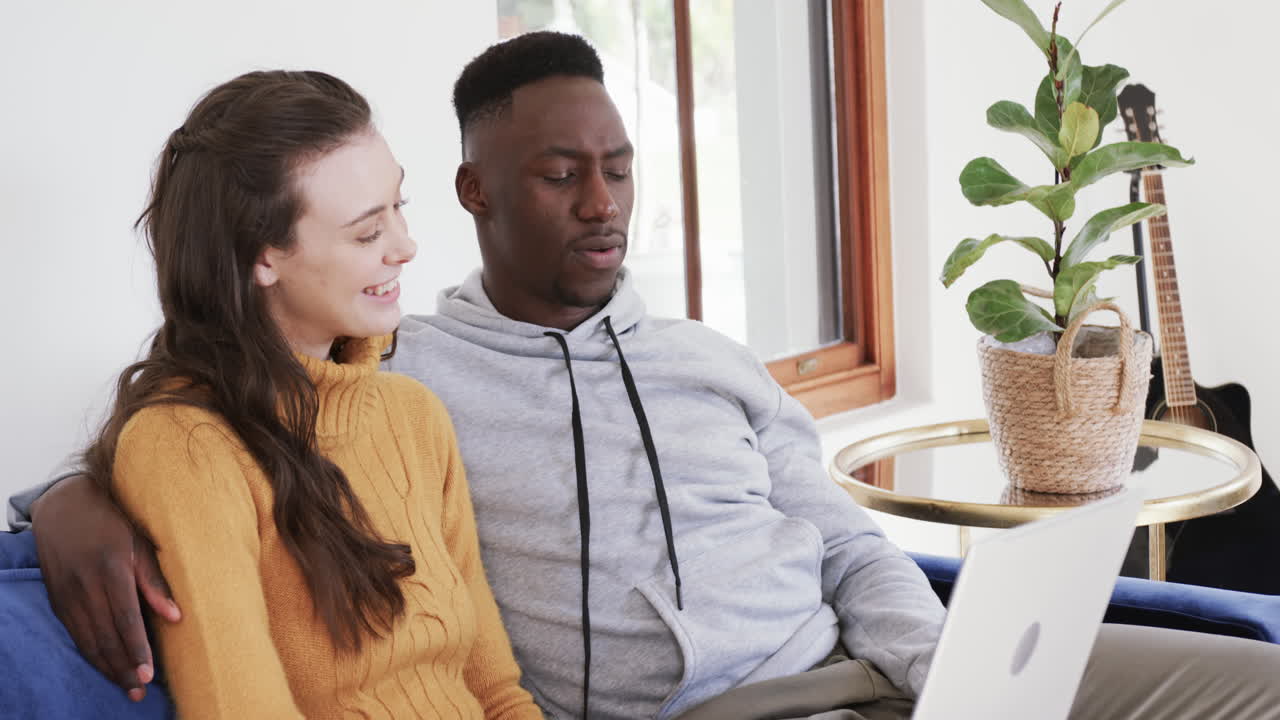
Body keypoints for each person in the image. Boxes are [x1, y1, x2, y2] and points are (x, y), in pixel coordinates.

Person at [13, 33, 1280, 720]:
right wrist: (67, 493)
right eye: (560, 174)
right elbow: (215, 429)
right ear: (478, 193)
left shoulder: (698, 361)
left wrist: (937, 666)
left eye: (617, 165)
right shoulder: (415, 370)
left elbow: (841, 542)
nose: (604, 201)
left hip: (890, 669)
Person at [20, 69, 542, 719]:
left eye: (398, 207)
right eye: (366, 231)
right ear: (261, 256)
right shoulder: (187, 447)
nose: (406, 248)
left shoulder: (415, 418)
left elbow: (494, 687)